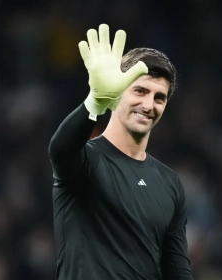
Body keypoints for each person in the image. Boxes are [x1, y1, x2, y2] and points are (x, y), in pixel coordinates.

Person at [48, 24, 193, 280]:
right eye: (140, 91)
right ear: (116, 94)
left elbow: (177, 271)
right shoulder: (85, 161)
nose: (149, 105)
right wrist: (95, 101)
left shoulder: (170, 183)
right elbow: (60, 149)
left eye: (160, 97)